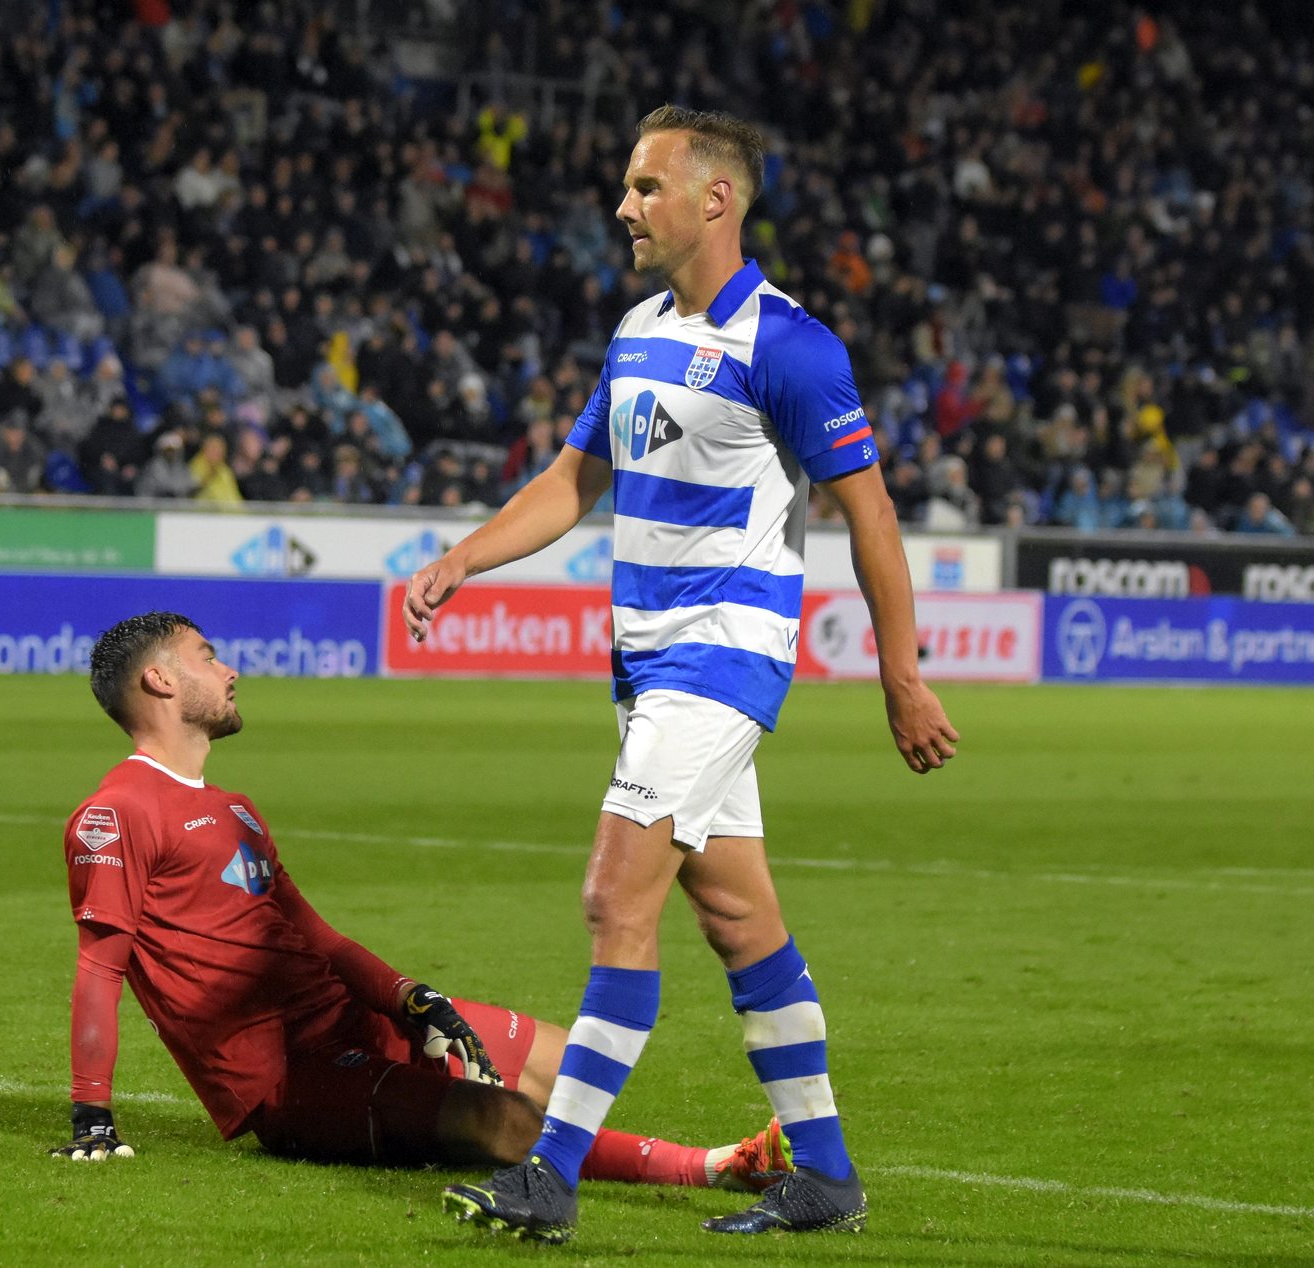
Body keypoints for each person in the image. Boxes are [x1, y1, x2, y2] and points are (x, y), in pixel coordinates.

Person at [406, 106, 960, 1243]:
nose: (624, 207)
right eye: (627, 185)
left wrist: (902, 672)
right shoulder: (636, 331)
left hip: (724, 657)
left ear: (717, 200)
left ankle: (547, 1176)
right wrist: (466, 553)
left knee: (617, 895)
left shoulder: (790, 346)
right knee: (739, 915)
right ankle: (829, 1173)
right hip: (649, 667)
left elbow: (871, 515)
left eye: (647, 186)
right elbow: (573, 479)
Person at [54, 613, 792, 1199]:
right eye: (208, 656)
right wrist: (93, 1113)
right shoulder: (115, 814)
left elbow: (316, 935)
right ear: (159, 679)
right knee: (499, 1122)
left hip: (359, 1020)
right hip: (288, 1077)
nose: (230, 669)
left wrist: (409, 997)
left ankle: (668, 1159)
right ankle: (718, 1166)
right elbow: (100, 968)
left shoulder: (234, 809)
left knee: (566, 1056)